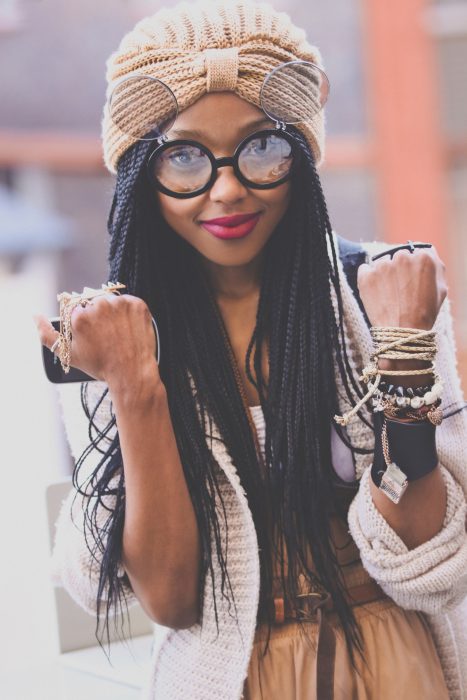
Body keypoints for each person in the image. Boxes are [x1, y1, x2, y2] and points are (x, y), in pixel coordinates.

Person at [34, 1, 467, 698]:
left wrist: (405, 355)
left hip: (397, 664)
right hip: (223, 679)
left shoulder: (380, 295)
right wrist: (135, 386)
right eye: (184, 157)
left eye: (262, 148)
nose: (228, 188)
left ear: (301, 150)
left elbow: (428, 564)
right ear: (142, 172)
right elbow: (170, 601)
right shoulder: (111, 336)